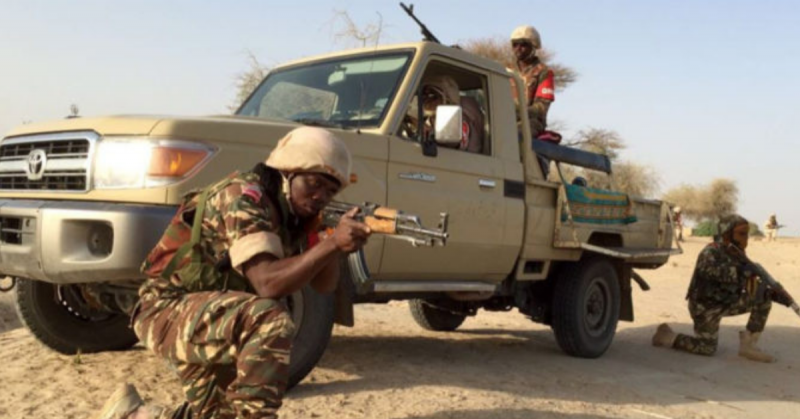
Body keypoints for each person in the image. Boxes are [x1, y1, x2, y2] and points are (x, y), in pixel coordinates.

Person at [95, 126, 372, 419]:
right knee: (269, 317)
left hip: (212, 317)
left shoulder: (294, 214)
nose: (320, 196)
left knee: (220, 415)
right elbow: (267, 283)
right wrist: (331, 244)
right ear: (288, 173)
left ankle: (133, 415)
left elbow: (324, 286)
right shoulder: (244, 196)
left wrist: (331, 242)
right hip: (166, 310)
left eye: (330, 191)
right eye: (314, 184)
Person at [652, 214, 781, 363]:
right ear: (727, 234)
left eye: (746, 234)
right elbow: (711, 272)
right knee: (706, 348)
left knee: (763, 298)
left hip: (727, 301)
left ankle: (748, 345)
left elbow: (747, 282)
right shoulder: (711, 252)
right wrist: (741, 271)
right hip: (705, 307)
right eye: (741, 233)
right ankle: (667, 337)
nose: (746, 238)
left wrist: (766, 290)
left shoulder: (737, 253)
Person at [401, 74, 483, 153]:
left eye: (433, 95)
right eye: (424, 95)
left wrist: (416, 123)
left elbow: (449, 142)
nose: (426, 99)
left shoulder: (458, 118)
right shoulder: (432, 118)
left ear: (447, 98)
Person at [510, 25, 555, 139]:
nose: (518, 48)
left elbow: (541, 107)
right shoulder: (506, 70)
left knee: (515, 136)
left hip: (531, 122)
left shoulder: (544, 72)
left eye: (523, 44)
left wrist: (518, 111)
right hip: (505, 119)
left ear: (533, 47)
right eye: (515, 44)